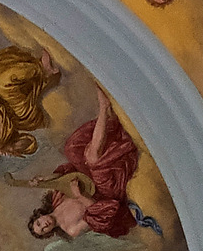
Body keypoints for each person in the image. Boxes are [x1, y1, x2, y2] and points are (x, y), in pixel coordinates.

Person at [23, 88, 145, 241]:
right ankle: (104, 107)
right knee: (92, 158)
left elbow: (65, 176)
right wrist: (80, 196)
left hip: (88, 178)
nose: (44, 225)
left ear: (39, 215)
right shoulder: (71, 229)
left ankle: (110, 122)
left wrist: (44, 179)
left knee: (72, 149)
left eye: (39, 223)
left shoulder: (56, 199)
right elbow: (99, 211)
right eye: (43, 230)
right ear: (48, 233)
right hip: (106, 191)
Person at [0, 45, 61, 165]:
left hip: (5, 102)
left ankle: (36, 67)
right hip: (21, 115)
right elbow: (30, 143)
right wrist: (11, 147)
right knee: (0, 83)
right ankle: (43, 69)